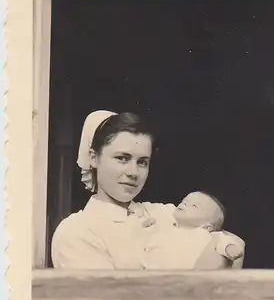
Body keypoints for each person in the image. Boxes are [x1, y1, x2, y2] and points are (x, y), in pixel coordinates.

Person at [51, 110, 245, 269]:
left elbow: (233, 244)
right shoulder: (77, 231)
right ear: (94, 158)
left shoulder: (166, 213)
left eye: (142, 162)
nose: (133, 172)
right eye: (122, 158)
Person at [139, 191, 245, 269]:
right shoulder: (165, 225)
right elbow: (147, 243)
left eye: (194, 206)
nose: (185, 204)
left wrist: (230, 248)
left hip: (184, 275)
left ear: (206, 226)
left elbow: (222, 241)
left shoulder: (206, 234)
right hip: (152, 273)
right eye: (184, 201)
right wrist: (149, 227)